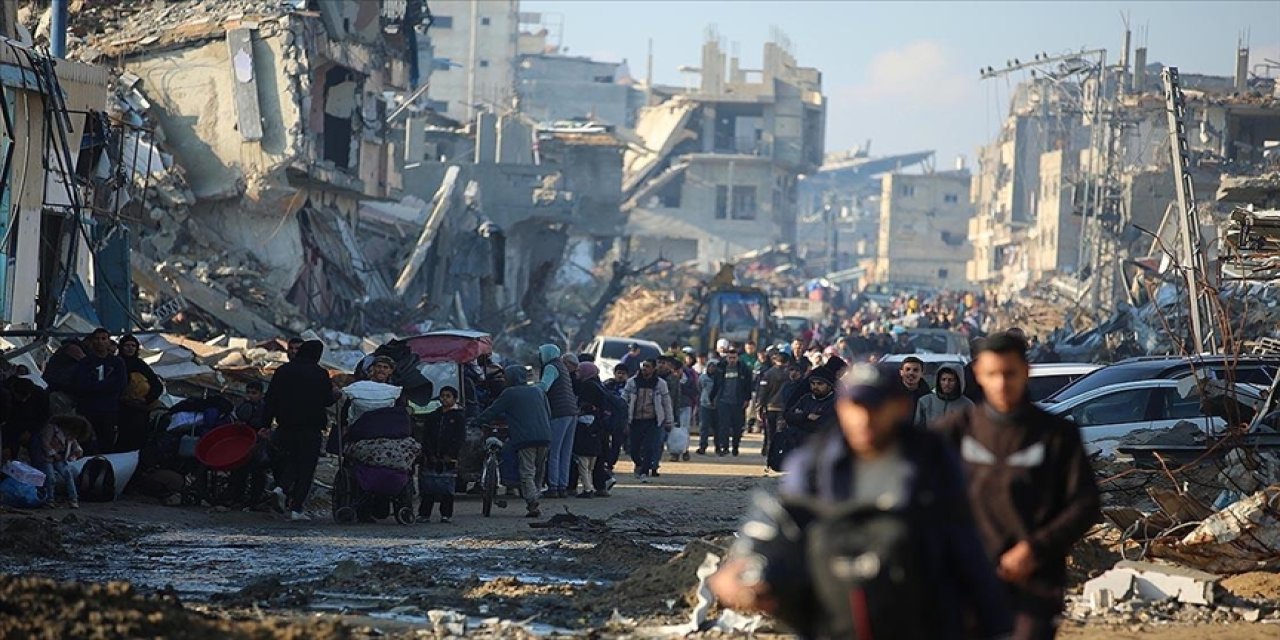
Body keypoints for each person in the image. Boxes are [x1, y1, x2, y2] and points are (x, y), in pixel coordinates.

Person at [710, 364, 1012, 639]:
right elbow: (782, 524)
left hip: (919, 612)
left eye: (876, 406)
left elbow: (964, 540)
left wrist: (994, 620)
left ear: (900, 407)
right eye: (856, 406)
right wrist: (747, 567)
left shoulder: (933, 461)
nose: (865, 418)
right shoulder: (815, 464)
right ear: (841, 408)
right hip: (836, 612)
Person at [933, 333, 1101, 639]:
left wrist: (1035, 549)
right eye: (992, 374)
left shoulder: (1056, 435)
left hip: (1034, 583)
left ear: (1026, 371)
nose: (1001, 384)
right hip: (965, 582)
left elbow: (1085, 504)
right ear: (977, 375)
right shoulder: (952, 433)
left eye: (1009, 373)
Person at [263, 339, 338, 521]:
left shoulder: (283, 371)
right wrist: (336, 395)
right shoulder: (320, 374)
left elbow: (270, 399)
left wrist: (265, 425)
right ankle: (297, 509)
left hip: (285, 426)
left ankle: (280, 488)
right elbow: (326, 400)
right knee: (306, 467)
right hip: (310, 428)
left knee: (292, 460)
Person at [474, 365, 553, 518]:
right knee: (539, 470)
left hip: (525, 438)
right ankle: (535, 495)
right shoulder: (538, 391)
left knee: (527, 471)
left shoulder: (509, 393)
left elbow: (492, 411)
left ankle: (532, 502)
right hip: (545, 436)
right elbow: (548, 413)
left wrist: (476, 422)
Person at [73, 328, 127, 454]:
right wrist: (99, 387)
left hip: (108, 409)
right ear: (92, 341)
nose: (100, 342)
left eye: (103, 339)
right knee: (85, 441)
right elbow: (80, 384)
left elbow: (120, 383)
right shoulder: (85, 363)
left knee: (106, 442)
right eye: (97, 339)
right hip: (88, 408)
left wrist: (99, 387)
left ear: (109, 341)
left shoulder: (117, 362)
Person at [536, 344, 578, 499]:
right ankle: (562, 486)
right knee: (565, 452)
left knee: (554, 451)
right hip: (572, 412)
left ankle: (553, 486)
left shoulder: (551, 368)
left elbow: (544, 387)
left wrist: (530, 389)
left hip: (559, 413)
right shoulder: (562, 367)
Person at [418, 386, 466, 522]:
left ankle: (446, 514)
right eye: (443, 395)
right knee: (428, 486)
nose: (444, 398)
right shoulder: (434, 415)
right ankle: (424, 514)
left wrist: (451, 454)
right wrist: (429, 453)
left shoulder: (458, 417)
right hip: (432, 456)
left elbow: (460, 438)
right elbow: (426, 436)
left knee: (447, 487)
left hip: (449, 457)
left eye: (448, 396)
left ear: (454, 399)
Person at [622, 359, 673, 479]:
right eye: (643, 366)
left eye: (648, 366)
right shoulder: (632, 382)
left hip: (653, 420)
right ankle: (639, 464)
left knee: (650, 447)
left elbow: (666, 403)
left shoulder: (660, 384)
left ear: (654, 368)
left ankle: (644, 471)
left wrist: (669, 420)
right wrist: (623, 417)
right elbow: (624, 399)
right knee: (633, 449)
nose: (645, 368)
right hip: (635, 420)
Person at [116, 334, 164, 452]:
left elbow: (157, 385)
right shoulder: (115, 363)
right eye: (127, 345)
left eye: (133, 346)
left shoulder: (140, 365)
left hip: (139, 408)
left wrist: (146, 399)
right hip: (119, 409)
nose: (130, 348)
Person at [39, 415, 91, 508]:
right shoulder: (52, 428)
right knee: (51, 477)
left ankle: (73, 498)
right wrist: (54, 454)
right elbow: (45, 442)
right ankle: (49, 499)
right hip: (48, 458)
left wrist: (76, 453)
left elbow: (76, 447)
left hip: (60, 459)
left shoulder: (70, 436)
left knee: (68, 474)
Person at [710, 348, 753, 457]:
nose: (732, 360)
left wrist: (747, 399)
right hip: (723, 401)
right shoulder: (720, 368)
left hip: (738, 402)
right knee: (723, 426)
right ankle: (724, 446)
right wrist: (712, 398)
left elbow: (748, 386)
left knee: (737, 427)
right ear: (726, 357)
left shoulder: (744, 369)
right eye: (730, 358)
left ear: (737, 358)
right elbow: (716, 385)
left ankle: (735, 446)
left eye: (734, 358)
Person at [756, 352, 793, 458]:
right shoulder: (790, 375)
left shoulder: (768, 374)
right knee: (781, 432)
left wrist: (759, 407)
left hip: (770, 407)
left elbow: (762, 393)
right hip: (784, 408)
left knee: (769, 432)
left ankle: (769, 451)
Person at [695, 359, 719, 455]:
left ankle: (718, 447)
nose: (712, 368)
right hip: (705, 405)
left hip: (717, 406)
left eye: (714, 367)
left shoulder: (719, 378)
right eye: (710, 366)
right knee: (704, 427)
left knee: (717, 428)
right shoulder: (703, 377)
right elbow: (699, 388)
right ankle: (703, 446)